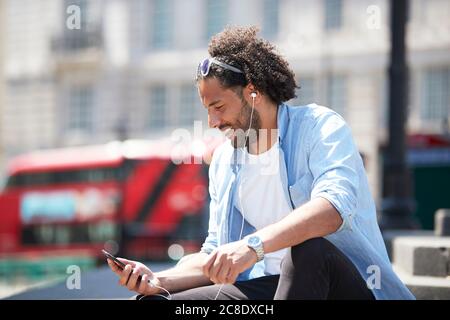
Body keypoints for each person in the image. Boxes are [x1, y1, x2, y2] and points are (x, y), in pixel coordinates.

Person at [107, 26, 415, 300]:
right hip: (274, 287)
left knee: (308, 251)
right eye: (207, 110)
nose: (212, 121)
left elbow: (333, 208)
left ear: (253, 92)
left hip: (348, 289)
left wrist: (253, 246)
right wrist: (158, 279)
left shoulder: (319, 127)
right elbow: (215, 255)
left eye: (219, 106)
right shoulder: (225, 161)